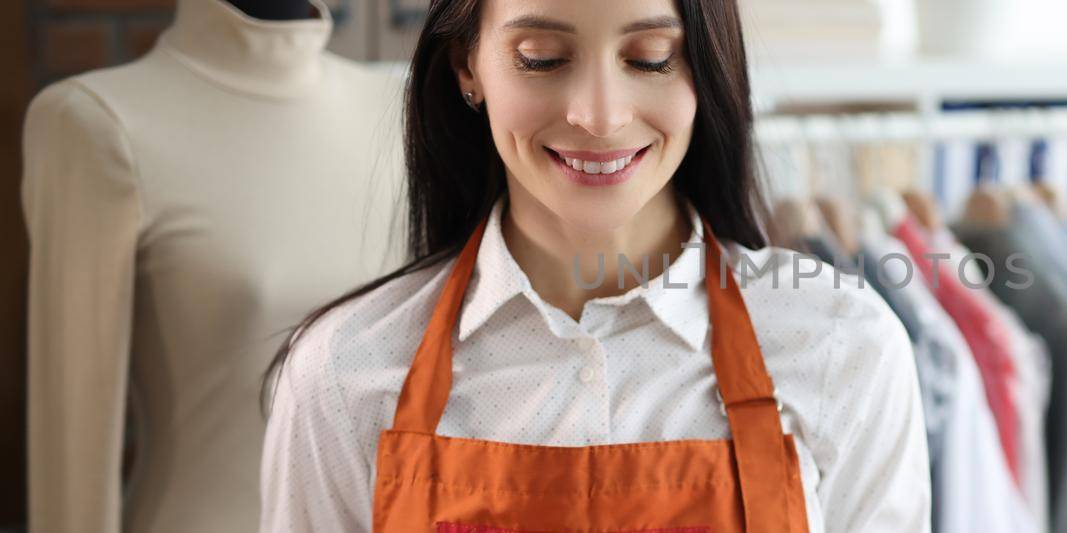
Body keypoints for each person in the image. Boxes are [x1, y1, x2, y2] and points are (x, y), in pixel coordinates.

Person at [258, 0, 931, 531]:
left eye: (651, 57)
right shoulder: (344, 374)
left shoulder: (842, 347)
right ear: (468, 65)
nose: (600, 116)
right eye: (542, 58)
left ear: (705, 66)